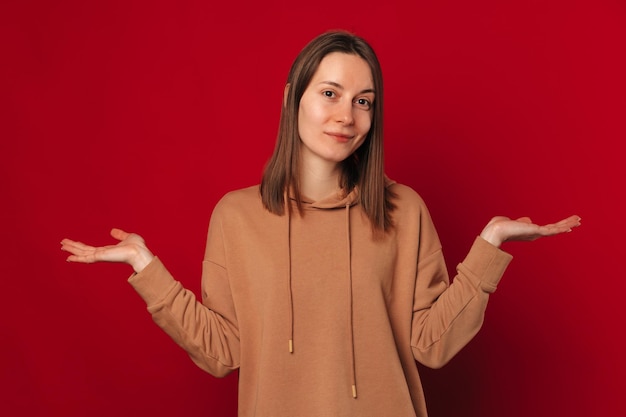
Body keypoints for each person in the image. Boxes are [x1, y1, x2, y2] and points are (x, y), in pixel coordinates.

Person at [60, 31, 581, 417]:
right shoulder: (236, 216)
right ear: (293, 98)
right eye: (329, 94)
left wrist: (489, 247)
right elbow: (224, 350)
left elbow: (430, 344)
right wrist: (144, 266)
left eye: (363, 102)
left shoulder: (403, 211)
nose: (346, 116)